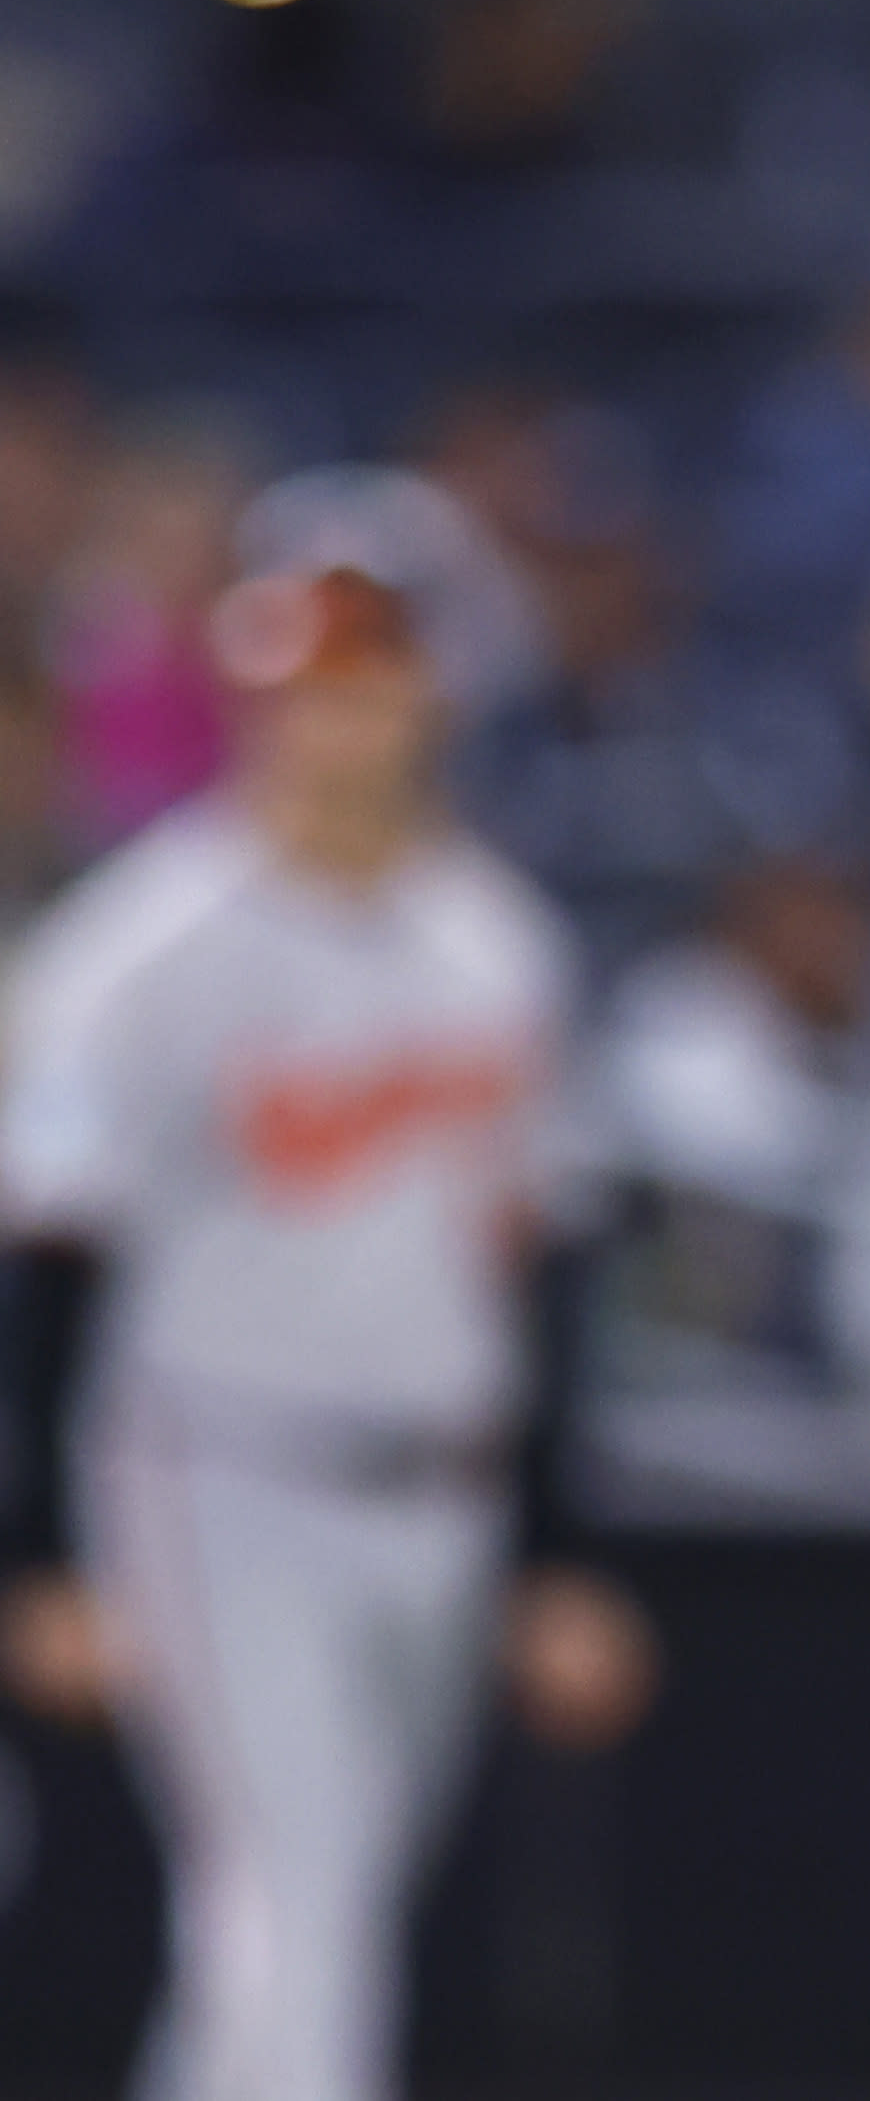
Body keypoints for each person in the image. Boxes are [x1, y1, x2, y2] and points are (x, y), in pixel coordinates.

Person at [0, 551, 656, 2101]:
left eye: (362, 688)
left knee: (311, 1919)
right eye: (302, 694)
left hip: (442, 1491)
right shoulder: (138, 951)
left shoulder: (495, 940)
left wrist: (559, 1548)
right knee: (295, 1919)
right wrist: (36, 1557)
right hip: (218, 1473)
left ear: (421, 700)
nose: (335, 727)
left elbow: (554, 1258)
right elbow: (47, 1263)